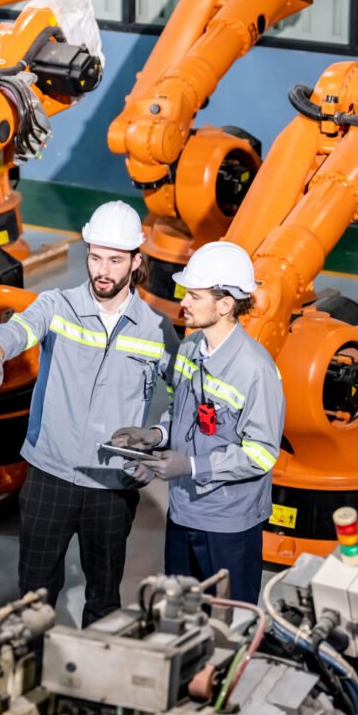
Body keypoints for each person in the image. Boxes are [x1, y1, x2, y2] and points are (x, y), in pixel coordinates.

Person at [0, 201, 177, 626]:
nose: (103, 269)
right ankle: (33, 676)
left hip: (112, 484)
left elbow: (187, 399)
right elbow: (18, 329)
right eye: (96, 256)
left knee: (104, 598)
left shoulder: (157, 330)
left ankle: (91, 681)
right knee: (34, 595)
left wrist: (157, 439)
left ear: (136, 262)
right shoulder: (57, 306)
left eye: (115, 260)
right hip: (51, 476)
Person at [112, 242, 284, 603]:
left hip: (228, 524)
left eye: (194, 295)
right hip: (184, 510)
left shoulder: (255, 370)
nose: (183, 303)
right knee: (182, 616)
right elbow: (180, 410)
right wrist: (155, 435)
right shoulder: (189, 349)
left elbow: (262, 454)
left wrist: (191, 465)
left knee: (229, 621)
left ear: (224, 305)